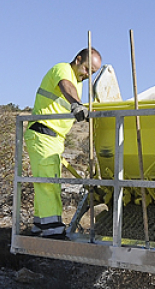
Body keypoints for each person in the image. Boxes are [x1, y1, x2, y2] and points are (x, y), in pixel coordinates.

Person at [25, 48, 102, 239]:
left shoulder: (78, 81)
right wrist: (76, 104)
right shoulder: (63, 70)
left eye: (92, 73)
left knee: (50, 182)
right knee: (48, 184)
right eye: (86, 69)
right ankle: (52, 230)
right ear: (77, 60)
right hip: (43, 134)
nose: (87, 75)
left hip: (54, 139)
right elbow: (65, 85)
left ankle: (40, 226)